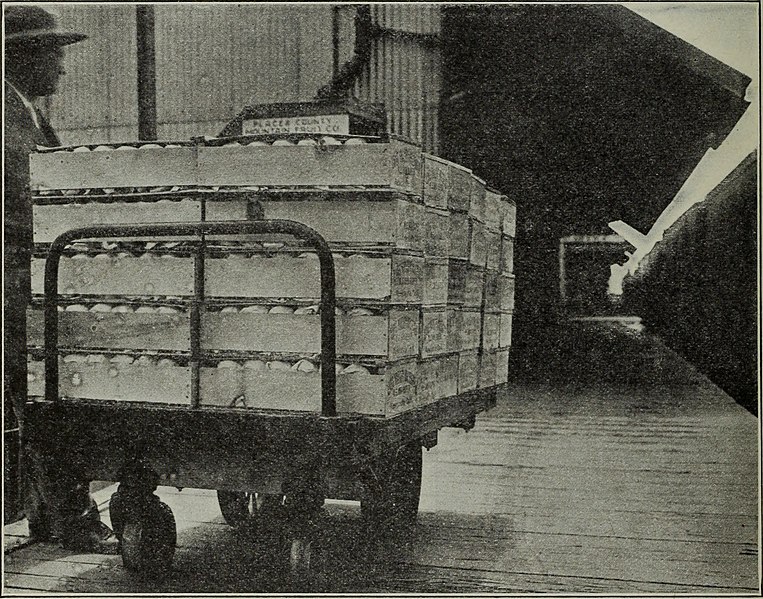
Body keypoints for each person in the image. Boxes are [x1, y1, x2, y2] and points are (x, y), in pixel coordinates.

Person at [4, 5, 118, 554]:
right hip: (14, 280)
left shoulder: (20, 110)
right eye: (54, 54)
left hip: (22, 276)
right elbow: (28, 203)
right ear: (21, 55)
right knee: (44, 397)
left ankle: (48, 518)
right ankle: (73, 520)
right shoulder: (7, 116)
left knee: (35, 398)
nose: (63, 68)